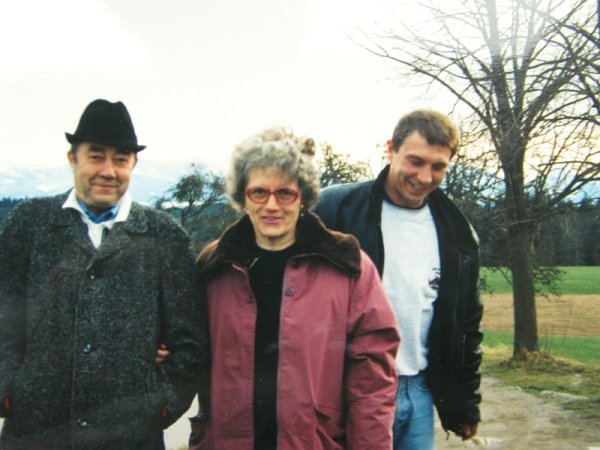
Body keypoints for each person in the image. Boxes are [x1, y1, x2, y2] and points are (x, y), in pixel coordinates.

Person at [0, 99, 207, 450]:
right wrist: (8, 389)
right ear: (72, 158)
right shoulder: (28, 224)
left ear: (134, 164)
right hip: (34, 434)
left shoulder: (166, 236)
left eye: (121, 159)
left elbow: (191, 343)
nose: (108, 171)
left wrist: (161, 404)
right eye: (96, 156)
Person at [187, 128, 399, 450]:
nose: (272, 205)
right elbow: (187, 346)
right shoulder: (215, 264)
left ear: (303, 196)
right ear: (243, 196)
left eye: (285, 193)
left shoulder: (348, 264)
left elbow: (372, 379)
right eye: (259, 192)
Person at [314, 110, 483, 450]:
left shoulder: (458, 232)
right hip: (347, 390)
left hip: (418, 391)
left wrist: (465, 402)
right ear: (390, 149)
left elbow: (466, 323)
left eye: (438, 167)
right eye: (415, 161)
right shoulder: (334, 209)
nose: (424, 177)